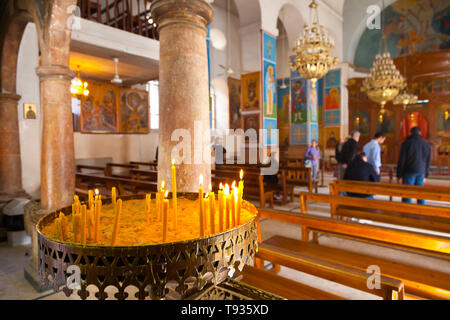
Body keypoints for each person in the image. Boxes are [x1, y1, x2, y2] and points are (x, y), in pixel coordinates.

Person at [397, 126, 431, 205]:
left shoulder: (406, 143)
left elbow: (402, 160)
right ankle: (421, 210)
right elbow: (428, 161)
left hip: (408, 170)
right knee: (420, 193)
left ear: (410, 133)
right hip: (421, 171)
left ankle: (407, 211)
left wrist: (399, 174)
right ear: (420, 133)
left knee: (407, 193)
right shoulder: (426, 144)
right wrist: (426, 174)